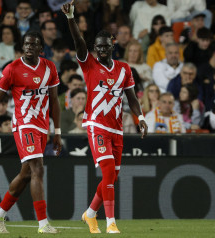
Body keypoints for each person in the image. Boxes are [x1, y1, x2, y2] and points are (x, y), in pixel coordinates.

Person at [62, 1, 148, 234]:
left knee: (113, 176)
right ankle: (110, 222)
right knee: (108, 171)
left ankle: (90, 213)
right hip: (96, 125)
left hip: (117, 129)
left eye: (104, 46)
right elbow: (79, 43)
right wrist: (71, 17)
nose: (100, 50)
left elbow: (131, 98)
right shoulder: (89, 65)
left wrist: (140, 118)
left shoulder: (124, 69)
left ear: (112, 44)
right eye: (97, 47)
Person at [0, 31, 62, 234]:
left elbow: (54, 101)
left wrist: (56, 131)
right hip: (24, 123)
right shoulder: (12, 68)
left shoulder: (50, 68)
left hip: (41, 125)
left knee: (26, 174)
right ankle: (43, 224)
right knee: (38, 169)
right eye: (26, 44)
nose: (29, 47)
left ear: (41, 48)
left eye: (34, 45)